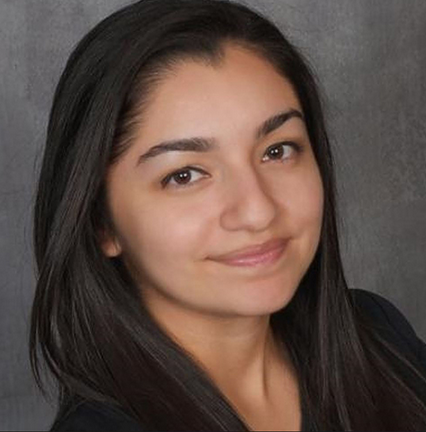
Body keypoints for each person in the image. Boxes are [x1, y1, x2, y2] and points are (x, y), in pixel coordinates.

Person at [29, 0, 426, 430]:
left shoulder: (379, 338)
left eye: (277, 150)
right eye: (184, 175)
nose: (257, 210)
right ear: (99, 223)